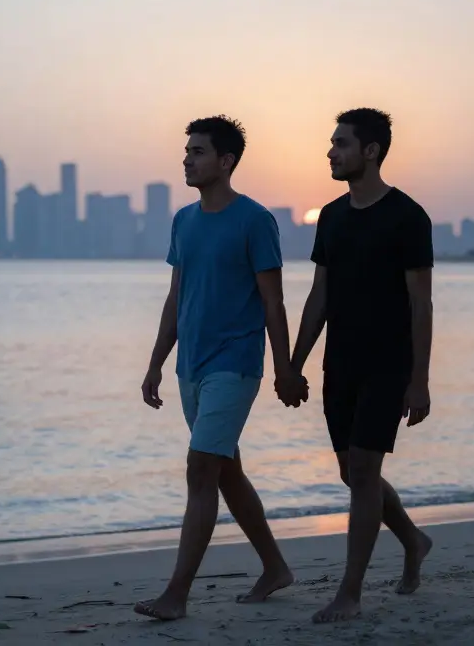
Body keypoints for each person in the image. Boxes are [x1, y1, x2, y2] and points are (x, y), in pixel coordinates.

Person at [136, 115, 308, 621]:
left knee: (201, 467)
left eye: (198, 152)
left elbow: (273, 302)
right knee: (226, 470)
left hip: (234, 365)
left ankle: (176, 595)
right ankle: (275, 567)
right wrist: (155, 363)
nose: (186, 159)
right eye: (186, 151)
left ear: (226, 161)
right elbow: (176, 297)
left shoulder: (255, 221)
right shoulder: (184, 221)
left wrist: (284, 368)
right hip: (191, 365)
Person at [288, 108, 435, 624]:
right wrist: (293, 363)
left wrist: (419, 381)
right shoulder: (330, 216)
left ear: (370, 151)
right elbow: (318, 295)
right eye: (332, 143)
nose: (331, 152)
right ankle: (413, 540)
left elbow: (422, 303)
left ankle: (350, 593)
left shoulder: (408, 217)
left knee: (366, 468)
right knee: (354, 473)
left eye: (341, 143)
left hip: (389, 363)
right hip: (340, 364)